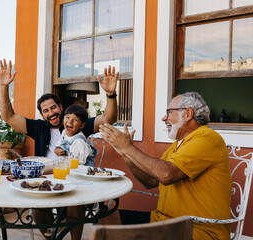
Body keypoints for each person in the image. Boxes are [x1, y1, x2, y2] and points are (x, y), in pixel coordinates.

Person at [0, 59, 119, 240]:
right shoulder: (38, 127)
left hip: (73, 177)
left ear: (60, 107)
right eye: (46, 111)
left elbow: (108, 118)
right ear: (42, 114)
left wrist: (110, 95)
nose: (51, 113)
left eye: (53, 107)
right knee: (37, 202)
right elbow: (8, 116)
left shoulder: (76, 123)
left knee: (73, 203)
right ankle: (49, 237)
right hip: (45, 178)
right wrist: (3, 86)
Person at [99, 92, 232, 240]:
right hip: (166, 221)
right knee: (106, 219)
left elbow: (167, 175)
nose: (164, 118)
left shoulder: (207, 138)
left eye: (169, 113)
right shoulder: (179, 144)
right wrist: (125, 153)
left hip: (198, 229)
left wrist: (128, 148)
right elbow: (150, 181)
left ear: (188, 114)